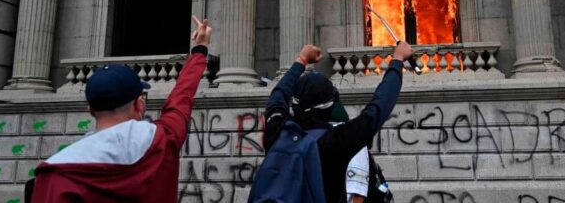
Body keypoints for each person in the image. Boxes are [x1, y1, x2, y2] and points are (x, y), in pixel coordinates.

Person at [30, 16, 213, 203]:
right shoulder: (164, 139)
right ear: (139, 104)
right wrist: (200, 48)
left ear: (90, 109)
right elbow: (181, 97)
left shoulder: (55, 174)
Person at [253, 41, 414, 203]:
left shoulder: (276, 132)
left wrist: (301, 60)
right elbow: (378, 108)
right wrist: (397, 60)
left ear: (295, 103)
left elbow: (278, 95)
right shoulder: (334, 142)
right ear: (330, 106)